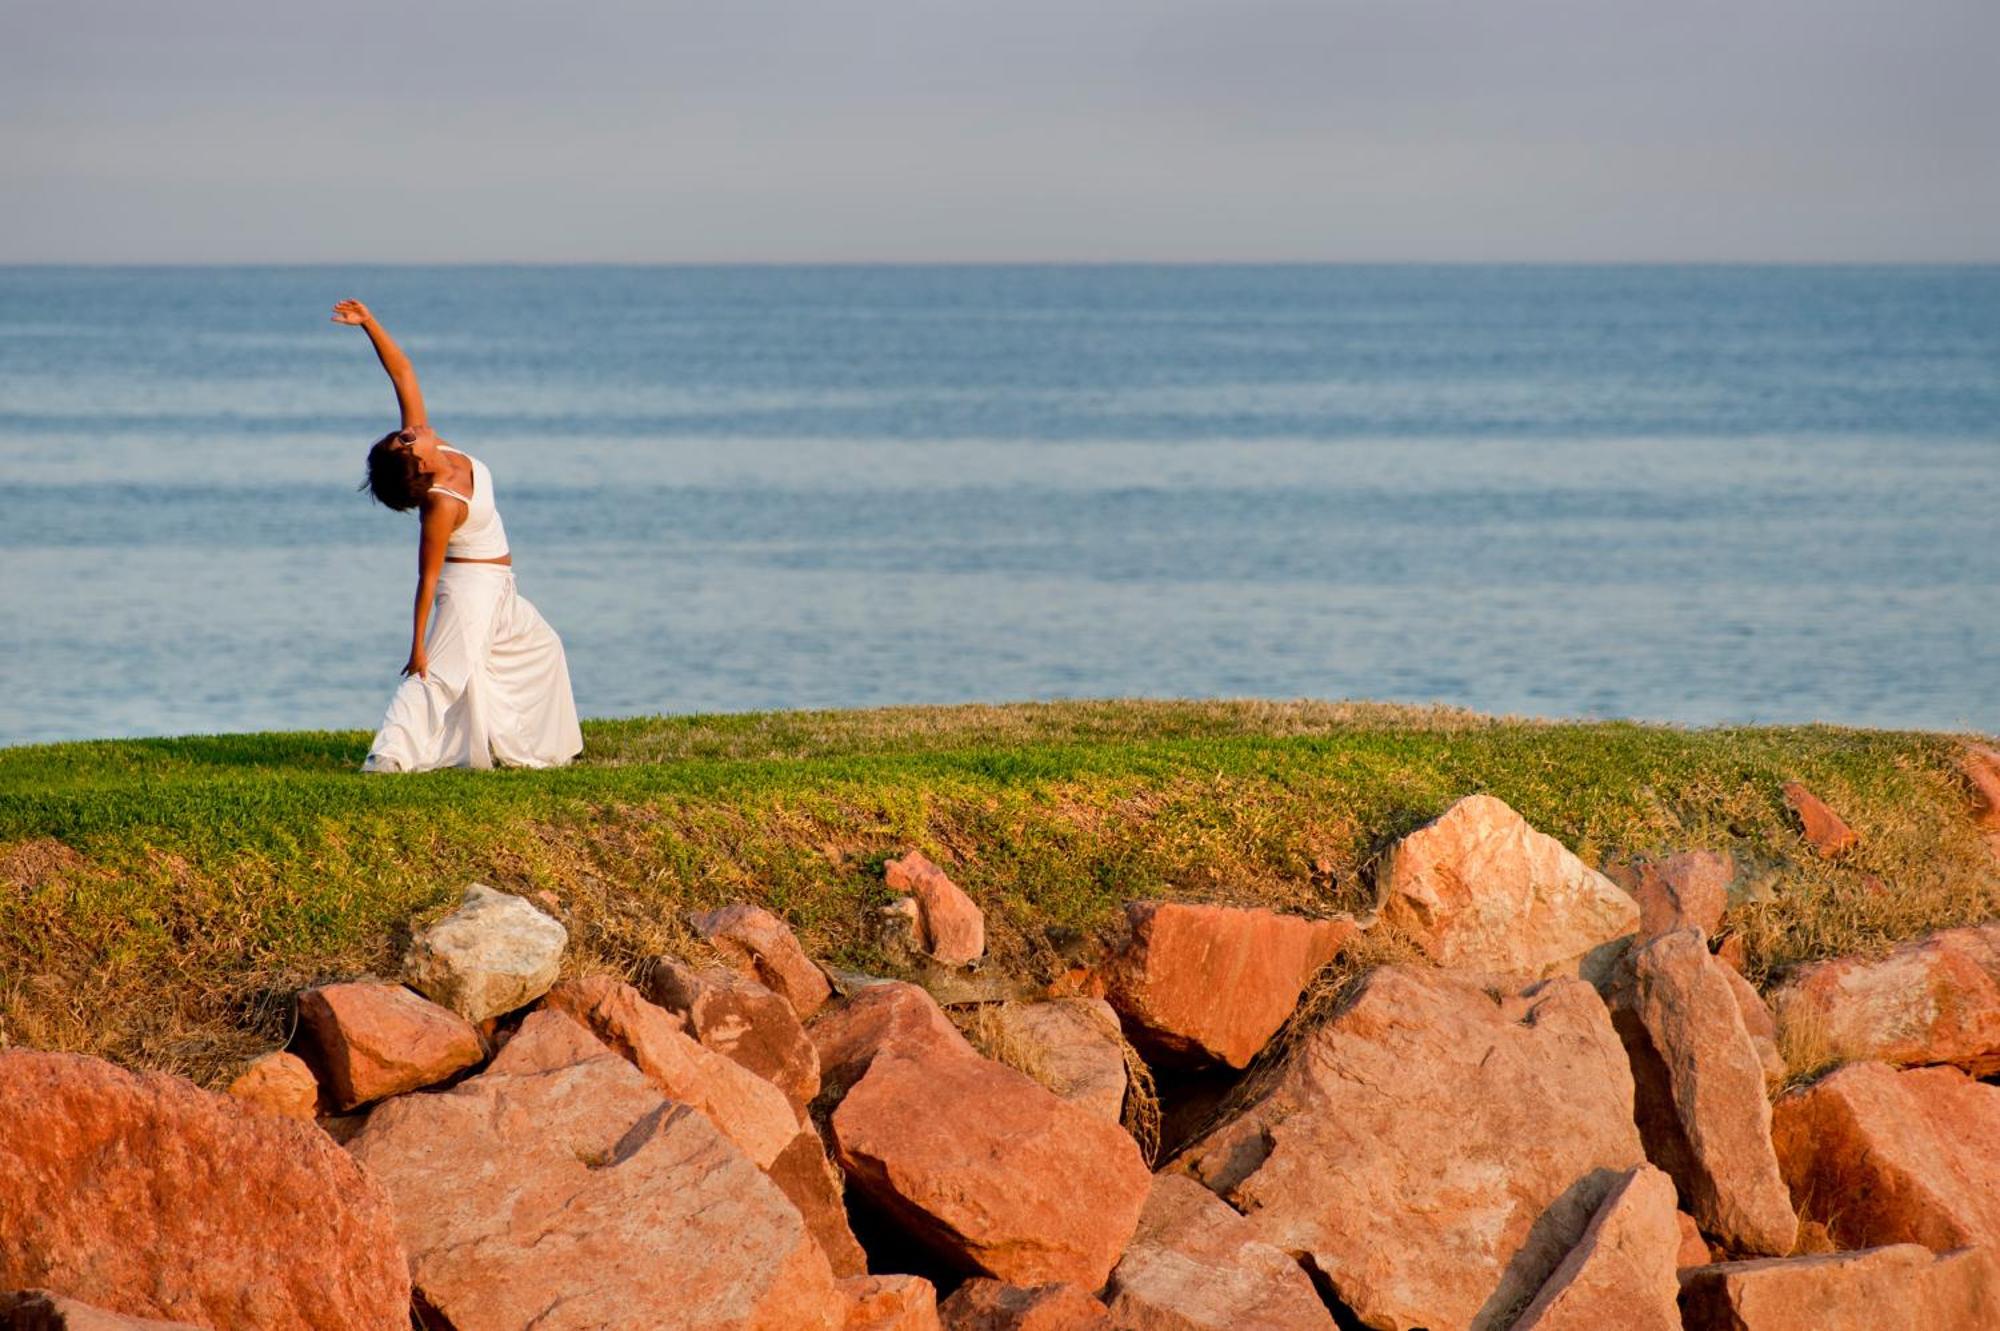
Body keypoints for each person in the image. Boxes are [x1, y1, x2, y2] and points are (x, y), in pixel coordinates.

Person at [334, 299, 582, 772]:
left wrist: (369, 323)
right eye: (403, 439)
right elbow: (427, 579)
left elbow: (402, 373)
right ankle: (386, 756)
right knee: (438, 676)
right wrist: (417, 645)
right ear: (417, 461)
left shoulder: (433, 445)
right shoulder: (441, 504)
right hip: (468, 592)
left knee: (542, 646)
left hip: (500, 589)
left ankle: (539, 749)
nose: (408, 430)